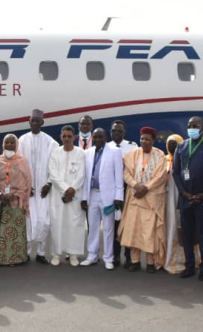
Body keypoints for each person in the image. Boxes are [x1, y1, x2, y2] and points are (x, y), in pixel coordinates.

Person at [172, 116, 203, 280]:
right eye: (189, 125)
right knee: (186, 234)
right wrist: (184, 193)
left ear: (202, 128)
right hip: (185, 198)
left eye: (195, 126)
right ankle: (189, 266)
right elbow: (176, 172)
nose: (192, 128)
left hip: (202, 199)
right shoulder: (181, 146)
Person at [117, 127, 168, 272]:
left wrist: (145, 188)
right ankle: (135, 261)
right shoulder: (132, 154)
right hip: (134, 198)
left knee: (149, 232)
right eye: (142, 139)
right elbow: (126, 174)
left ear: (153, 140)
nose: (144, 141)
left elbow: (161, 176)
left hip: (151, 200)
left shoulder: (160, 155)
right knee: (134, 230)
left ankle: (151, 262)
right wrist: (135, 186)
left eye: (147, 139)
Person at [17, 109, 58, 263]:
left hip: (43, 190)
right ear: (29, 122)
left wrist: (49, 184)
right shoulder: (22, 140)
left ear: (42, 122)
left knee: (44, 220)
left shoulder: (50, 142)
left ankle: (41, 253)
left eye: (37, 121)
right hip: (29, 190)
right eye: (32, 120)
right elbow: (18, 166)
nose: (35, 123)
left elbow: (55, 166)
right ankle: (26, 253)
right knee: (28, 219)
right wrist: (25, 186)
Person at [80, 128, 123, 270]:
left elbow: (119, 176)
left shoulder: (115, 152)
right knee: (92, 227)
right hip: (92, 194)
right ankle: (91, 256)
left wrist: (118, 197)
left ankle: (108, 258)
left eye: (100, 137)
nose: (98, 140)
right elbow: (86, 177)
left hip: (108, 196)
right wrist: (84, 198)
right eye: (96, 137)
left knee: (108, 228)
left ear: (105, 138)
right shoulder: (88, 152)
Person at [0, 134, 32, 266]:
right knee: (0, 231)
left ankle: (16, 258)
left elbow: (27, 181)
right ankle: (0, 258)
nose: (9, 145)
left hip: (16, 202)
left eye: (12, 143)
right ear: (3, 144)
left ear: (16, 145)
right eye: (7, 142)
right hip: (1, 201)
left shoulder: (22, 160)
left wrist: (16, 195)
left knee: (15, 232)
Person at [48, 125, 87, 267]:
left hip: (75, 194)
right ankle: (56, 254)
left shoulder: (81, 153)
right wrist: (65, 189)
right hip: (58, 194)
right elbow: (52, 173)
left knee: (74, 223)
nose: (66, 139)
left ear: (74, 137)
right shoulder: (55, 152)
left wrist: (72, 189)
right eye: (64, 136)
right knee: (57, 223)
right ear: (61, 137)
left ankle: (73, 254)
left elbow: (82, 174)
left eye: (69, 136)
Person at [107, 119, 138, 268]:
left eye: (119, 131)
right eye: (114, 131)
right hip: (111, 191)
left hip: (127, 190)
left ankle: (129, 257)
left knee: (128, 225)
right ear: (110, 132)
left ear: (124, 133)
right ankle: (115, 256)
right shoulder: (106, 147)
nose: (116, 133)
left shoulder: (132, 147)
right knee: (114, 224)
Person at [164, 134, 187, 274]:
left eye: (175, 144)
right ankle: (167, 259)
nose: (172, 146)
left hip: (181, 196)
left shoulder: (185, 160)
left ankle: (182, 260)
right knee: (168, 227)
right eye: (170, 143)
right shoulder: (163, 160)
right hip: (166, 199)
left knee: (181, 228)